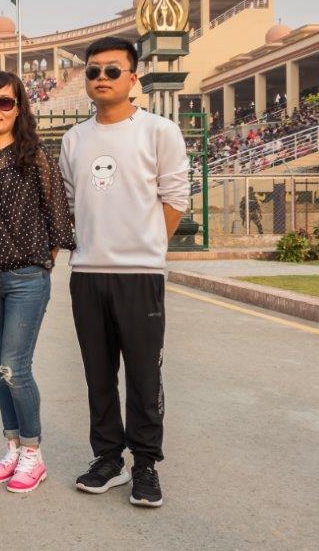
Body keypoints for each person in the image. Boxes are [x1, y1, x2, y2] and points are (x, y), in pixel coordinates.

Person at [58, 36, 190, 508]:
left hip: (139, 273)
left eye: (112, 71)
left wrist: (148, 246)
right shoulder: (74, 139)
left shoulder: (158, 131)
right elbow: (71, 203)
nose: (101, 78)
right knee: (98, 375)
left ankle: (146, 464)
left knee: (143, 375)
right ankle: (108, 459)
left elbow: (175, 198)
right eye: (93, 71)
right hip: (87, 273)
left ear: (133, 78)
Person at [0, 71, 74, 494]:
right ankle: (12, 447)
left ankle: (33, 453)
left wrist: (38, 266)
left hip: (25, 277)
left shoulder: (34, 156)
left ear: (19, 108)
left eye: (5, 102)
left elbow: (57, 217)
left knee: (14, 368)